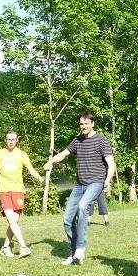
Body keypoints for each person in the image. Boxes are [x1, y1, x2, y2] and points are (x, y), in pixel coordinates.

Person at [44, 112, 115, 265]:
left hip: (96, 183)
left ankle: (80, 249)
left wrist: (107, 181)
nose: (84, 126)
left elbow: (111, 164)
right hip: (79, 185)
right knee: (67, 220)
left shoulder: (101, 140)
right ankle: (73, 253)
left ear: (92, 123)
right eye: (81, 124)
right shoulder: (77, 140)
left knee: (82, 207)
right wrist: (51, 162)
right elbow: (63, 154)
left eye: (86, 123)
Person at [0, 129, 44, 258]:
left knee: (15, 221)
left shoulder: (22, 154)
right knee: (11, 219)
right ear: (5, 140)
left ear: (17, 140)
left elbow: (31, 169)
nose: (11, 142)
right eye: (9, 139)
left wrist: (40, 179)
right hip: (4, 191)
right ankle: (23, 247)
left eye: (13, 139)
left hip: (18, 190)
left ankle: (5, 247)